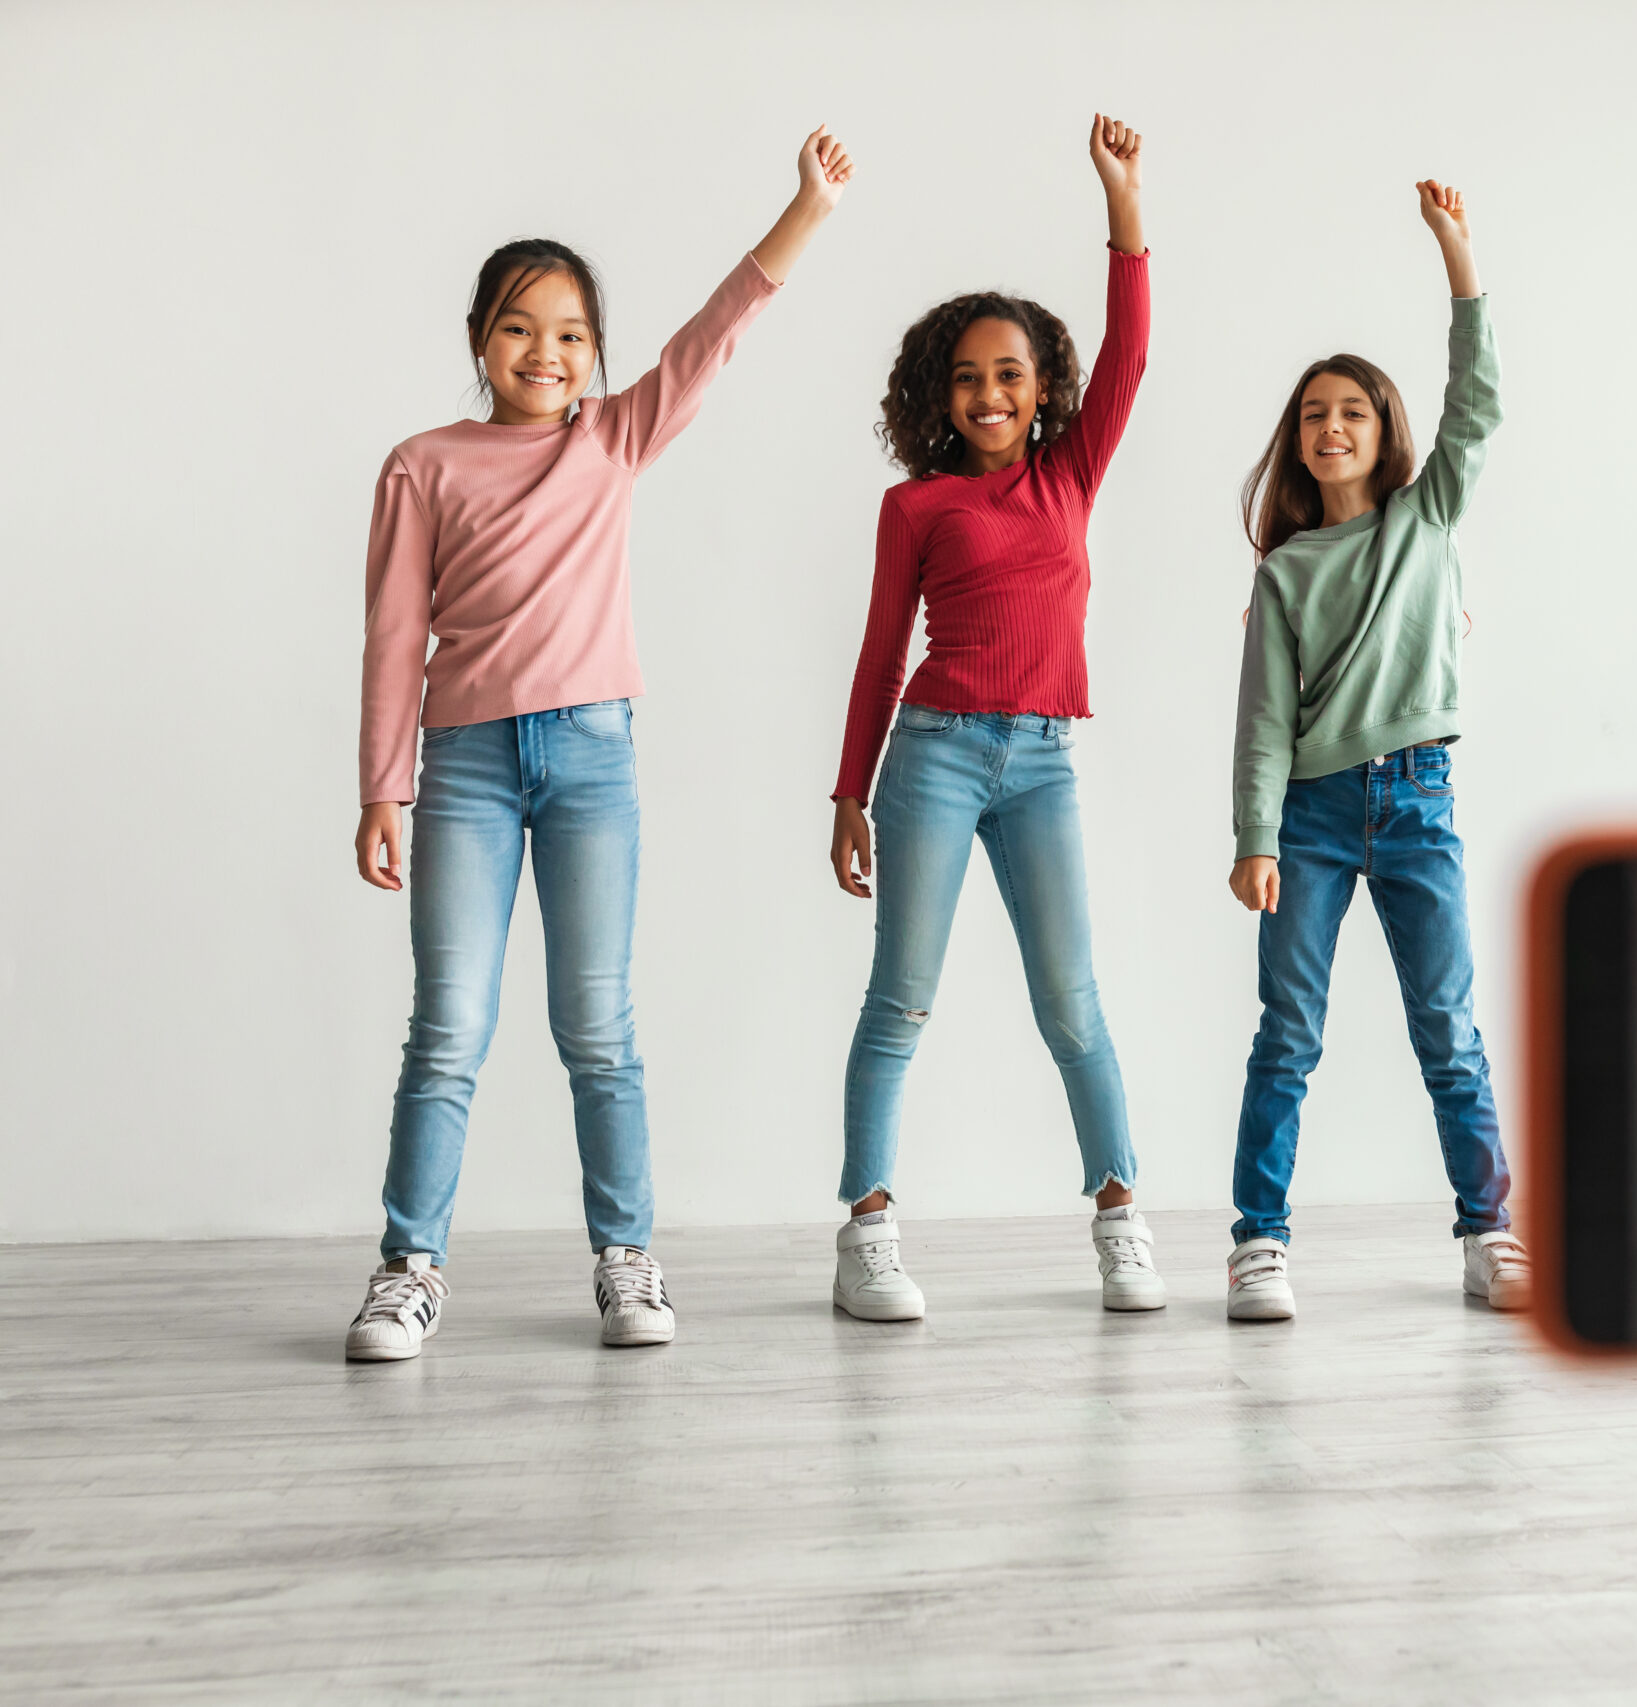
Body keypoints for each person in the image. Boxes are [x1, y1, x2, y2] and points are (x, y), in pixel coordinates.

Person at [345, 127, 855, 1362]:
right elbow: (390, 636)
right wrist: (380, 789)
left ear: (596, 358)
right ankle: (409, 1268)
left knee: (597, 1025)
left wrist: (807, 211)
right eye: (521, 327)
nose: (547, 352)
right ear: (481, 341)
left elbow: (714, 334)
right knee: (449, 1026)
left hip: (592, 758)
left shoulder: (613, 440)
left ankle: (626, 1260)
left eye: (572, 333)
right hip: (463, 763)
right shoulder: (424, 464)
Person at [826, 116, 1156, 1322]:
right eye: (966, 376)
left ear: (1039, 388)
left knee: (1072, 1002)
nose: (988, 393)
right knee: (900, 998)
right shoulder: (914, 506)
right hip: (935, 757)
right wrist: (848, 793)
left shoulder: (1069, 474)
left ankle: (1121, 1216)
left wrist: (1121, 201)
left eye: (1008, 374)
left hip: (1045, 763)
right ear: (938, 392)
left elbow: (1129, 348)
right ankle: (867, 1231)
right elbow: (876, 657)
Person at [1221, 179, 1528, 1321]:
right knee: (1287, 1033)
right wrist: (1255, 838)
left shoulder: (1427, 516)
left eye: (1351, 410)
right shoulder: (1285, 571)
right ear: (1296, 444)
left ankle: (1488, 1229)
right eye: (1313, 416)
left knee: (1445, 1028)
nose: (1333, 427)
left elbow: (1479, 402)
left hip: (1414, 800)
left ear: (1382, 429)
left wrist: (1459, 259)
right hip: (1305, 814)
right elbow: (1261, 719)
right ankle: (1259, 1240)